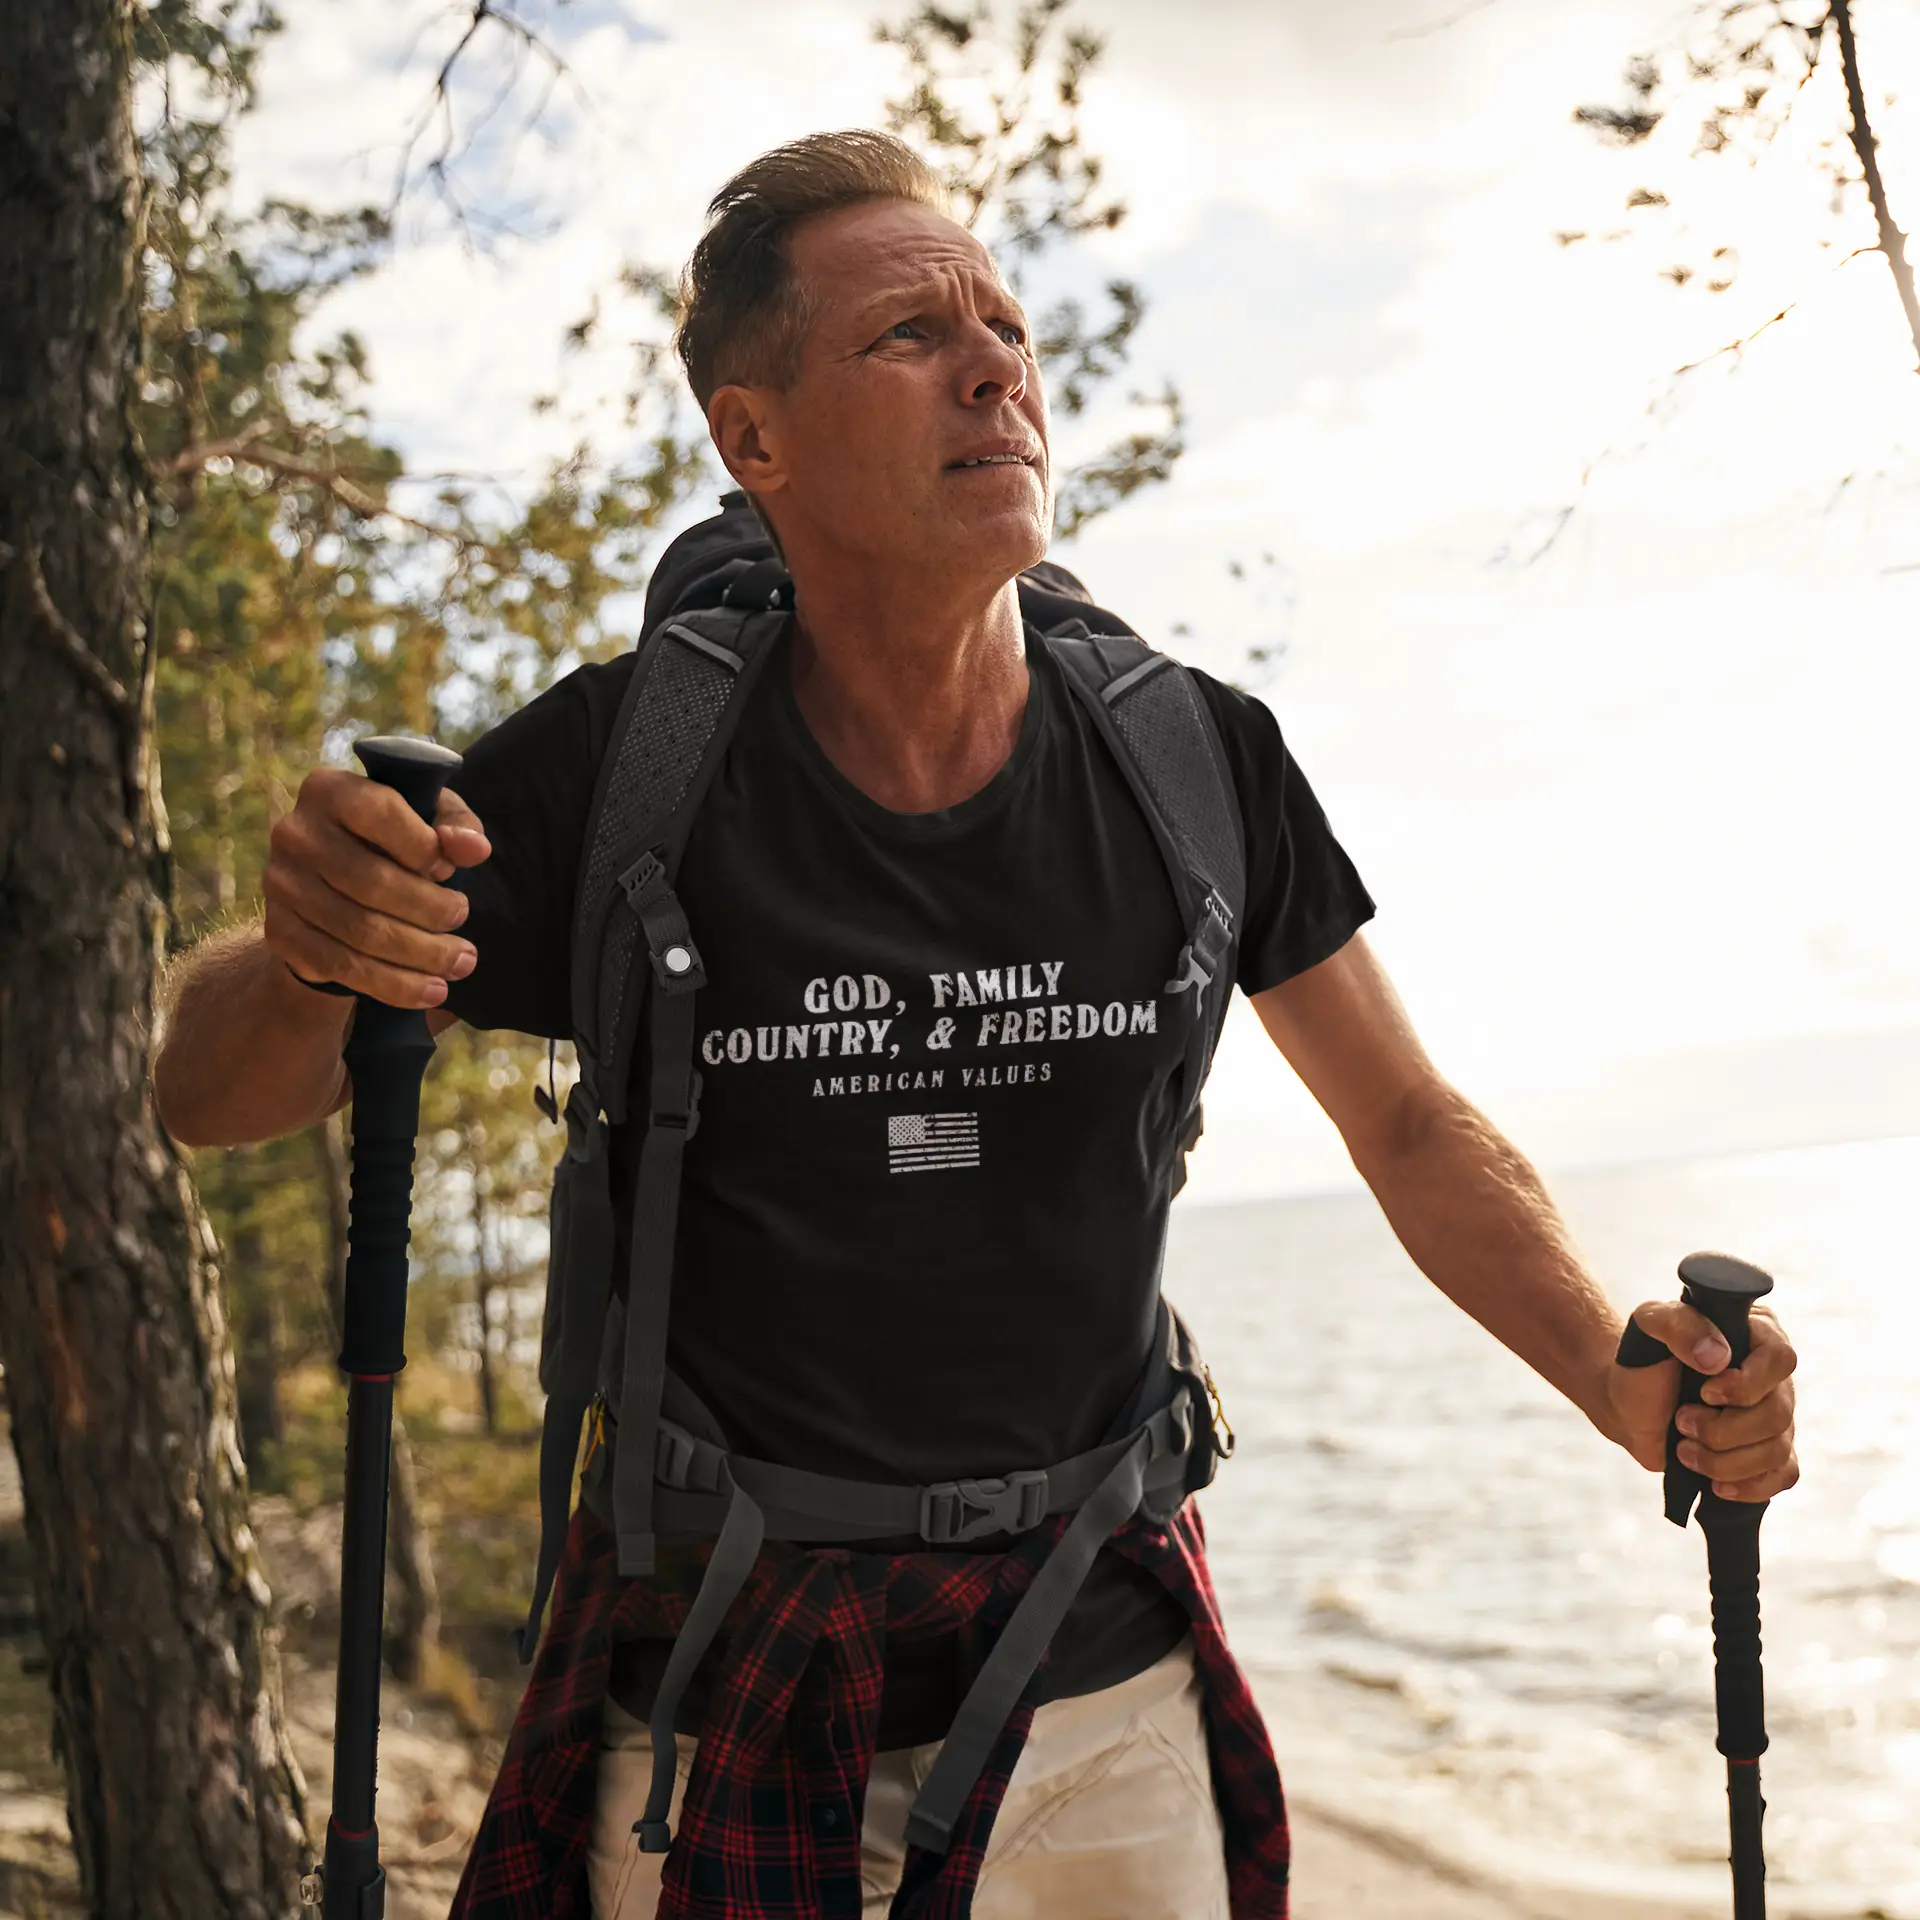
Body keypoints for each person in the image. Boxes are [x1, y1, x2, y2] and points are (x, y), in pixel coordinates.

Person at [153, 130, 1799, 1920]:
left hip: (1109, 1689)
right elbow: (213, 1093)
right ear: (752, 438)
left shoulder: (1189, 759)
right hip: (723, 1698)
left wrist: (1619, 1383)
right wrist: (309, 945)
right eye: (908, 335)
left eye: (1002, 321)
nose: (997, 363)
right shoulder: (627, 770)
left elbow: (1403, 1123)